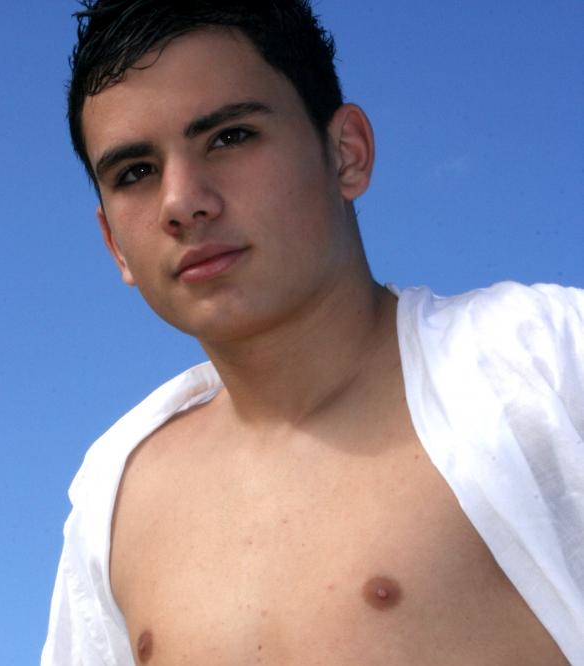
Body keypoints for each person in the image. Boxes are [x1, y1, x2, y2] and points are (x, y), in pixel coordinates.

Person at [42, 1, 583, 664]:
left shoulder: (541, 362)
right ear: (114, 245)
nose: (182, 202)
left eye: (230, 137)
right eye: (135, 173)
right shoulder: (116, 498)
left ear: (346, 153)